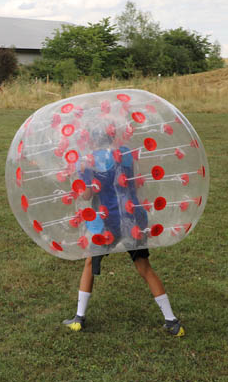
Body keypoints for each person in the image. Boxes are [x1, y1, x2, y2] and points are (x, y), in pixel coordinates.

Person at [62, 130, 184, 336]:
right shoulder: (126, 153)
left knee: (90, 263)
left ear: (92, 139)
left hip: (107, 222)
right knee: (144, 267)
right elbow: (134, 183)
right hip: (133, 218)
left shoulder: (88, 161)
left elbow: (86, 194)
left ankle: (79, 318)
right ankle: (172, 321)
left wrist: (80, 174)